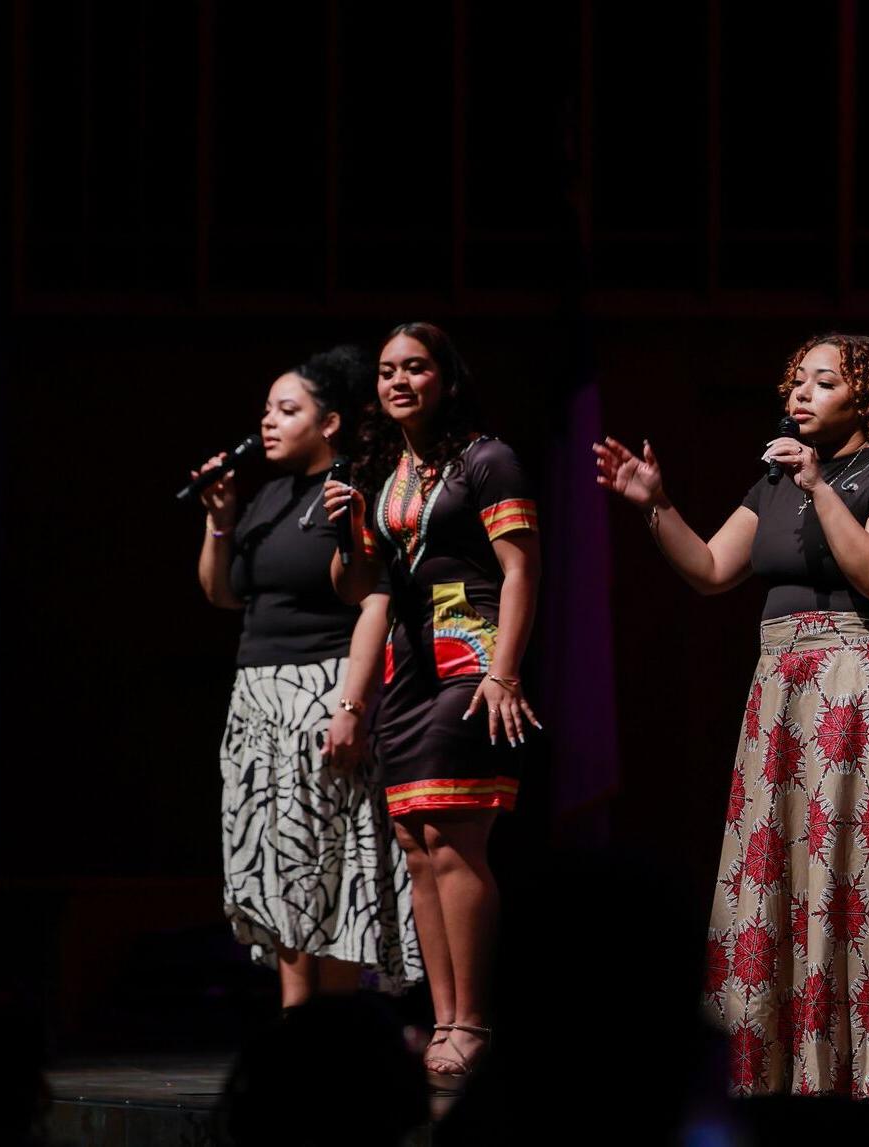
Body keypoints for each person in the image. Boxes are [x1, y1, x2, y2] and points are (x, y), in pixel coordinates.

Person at [594, 333, 869, 1098]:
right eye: (797, 380)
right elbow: (709, 570)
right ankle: (783, 1060)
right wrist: (659, 504)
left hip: (852, 682)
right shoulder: (770, 481)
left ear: (865, 398)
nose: (800, 393)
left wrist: (820, 488)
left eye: (824, 381)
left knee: (847, 869)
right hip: (780, 688)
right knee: (781, 869)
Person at [324, 323, 541, 1089]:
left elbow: (521, 569)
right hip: (408, 671)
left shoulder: (488, 458)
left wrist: (506, 673)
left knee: (457, 844)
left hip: (471, 660)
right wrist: (350, 531)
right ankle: (445, 1018)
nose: (399, 381)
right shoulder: (388, 476)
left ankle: (475, 1022)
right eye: (387, 371)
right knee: (418, 845)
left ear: (446, 378)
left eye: (415, 367)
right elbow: (362, 590)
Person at [194, 345, 419, 1009]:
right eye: (266, 410)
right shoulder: (265, 496)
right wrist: (218, 520)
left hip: (322, 689)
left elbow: (376, 598)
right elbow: (224, 594)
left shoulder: (353, 493)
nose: (267, 422)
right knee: (277, 865)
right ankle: (297, 1017)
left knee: (330, 861)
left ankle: (338, 1023)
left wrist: (352, 704)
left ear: (329, 423)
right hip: (256, 696)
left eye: (286, 410)